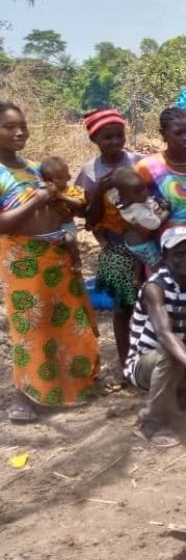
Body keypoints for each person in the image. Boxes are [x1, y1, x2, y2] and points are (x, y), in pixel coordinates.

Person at [0, 102, 99, 423]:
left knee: (66, 322)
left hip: (57, 254)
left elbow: (61, 201)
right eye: (9, 127)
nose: (19, 132)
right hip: (24, 260)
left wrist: (60, 204)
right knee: (31, 326)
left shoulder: (32, 166)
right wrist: (39, 201)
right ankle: (25, 396)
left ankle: (73, 386)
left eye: (23, 126)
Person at [125, 227, 186, 447]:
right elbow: (165, 335)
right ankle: (150, 422)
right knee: (170, 355)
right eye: (178, 254)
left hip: (181, 364)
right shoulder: (155, 287)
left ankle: (179, 398)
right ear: (165, 256)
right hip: (146, 365)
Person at [78, 107, 145, 366]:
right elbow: (89, 219)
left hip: (145, 244)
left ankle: (149, 361)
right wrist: (100, 191)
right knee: (122, 308)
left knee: (151, 303)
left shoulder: (138, 162)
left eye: (120, 135)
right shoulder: (90, 172)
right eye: (108, 137)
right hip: (115, 247)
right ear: (95, 140)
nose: (116, 142)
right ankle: (125, 363)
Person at [136, 107, 186, 236]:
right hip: (165, 248)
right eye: (178, 133)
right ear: (163, 134)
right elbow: (133, 207)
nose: (185, 138)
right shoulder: (147, 167)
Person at [107, 167, 169, 269]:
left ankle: (138, 277)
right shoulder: (138, 210)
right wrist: (167, 211)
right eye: (137, 192)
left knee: (140, 264)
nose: (143, 194)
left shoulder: (119, 199)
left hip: (132, 241)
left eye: (143, 188)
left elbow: (111, 193)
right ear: (124, 194)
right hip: (144, 245)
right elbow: (155, 224)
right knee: (157, 265)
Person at [37, 155, 86, 272]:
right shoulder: (45, 192)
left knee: (69, 240)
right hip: (50, 226)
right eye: (49, 179)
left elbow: (79, 203)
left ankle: (77, 260)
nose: (53, 182)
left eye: (58, 178)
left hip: (66, 225)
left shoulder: (72, 190)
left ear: (68, 177)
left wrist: (61, 196)